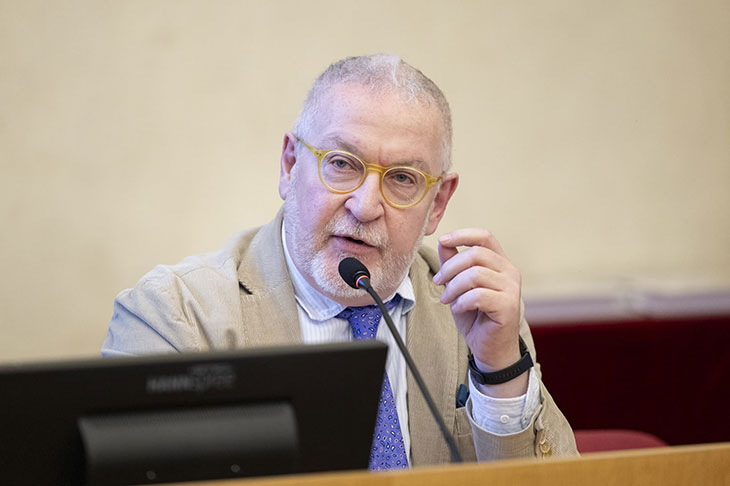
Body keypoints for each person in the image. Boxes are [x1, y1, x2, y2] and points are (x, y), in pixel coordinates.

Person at [103, 54, 578, 468]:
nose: (365, 206)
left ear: (437, 203)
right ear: (290, 165)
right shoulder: (175, 317)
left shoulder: (471, 308)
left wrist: (499, 370)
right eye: (342, 164)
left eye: (402, 179)